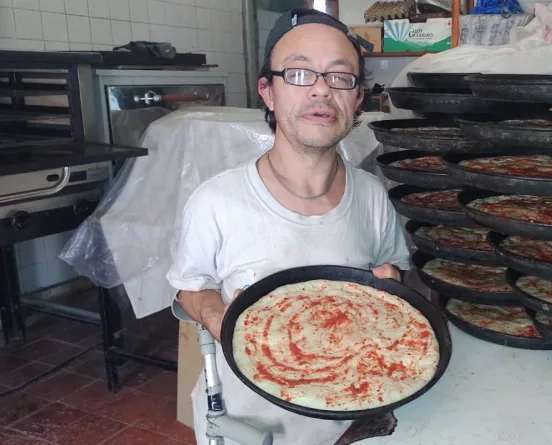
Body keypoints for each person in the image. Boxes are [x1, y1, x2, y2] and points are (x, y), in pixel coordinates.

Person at [166, 8, 411, 445]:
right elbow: (190, 285)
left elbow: (392, 270)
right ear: (268, 92)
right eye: (299, 73)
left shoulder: (372, 196)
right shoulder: (217, 201)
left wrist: (392, 286)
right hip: (249, 427)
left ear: (357, 100)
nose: (321, 89)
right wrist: (219, 317)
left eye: (340, 77)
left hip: (353, 417)